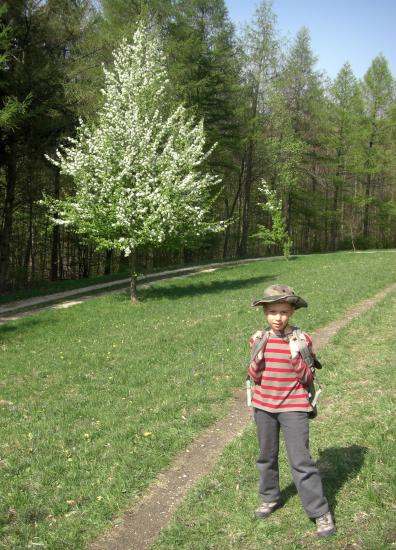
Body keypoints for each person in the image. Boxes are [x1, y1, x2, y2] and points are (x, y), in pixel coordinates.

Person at [248, 284, 336, 538]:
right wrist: (257, 356)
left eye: (284, 312)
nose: (278, 317)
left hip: (294, 406)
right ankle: (270, 497)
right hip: (264, 406)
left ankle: (319, 511)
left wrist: (296, 355)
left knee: (301, 461)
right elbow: (255, 376)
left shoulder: (301, 339)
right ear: (265, 312)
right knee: (266, 456)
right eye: (273, 311)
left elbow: (307, 376)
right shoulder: (259, 339)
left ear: (293, 312)